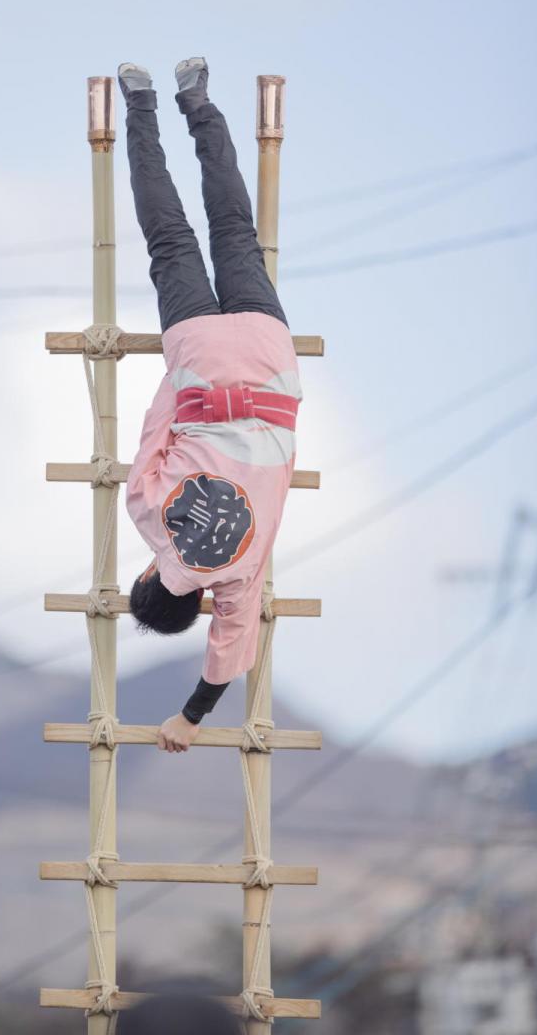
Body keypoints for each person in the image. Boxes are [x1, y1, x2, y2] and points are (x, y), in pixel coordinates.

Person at [119, 58, 303, 755]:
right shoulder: (147, 514)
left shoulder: (241, 570)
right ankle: (156, 103)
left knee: (232, 227)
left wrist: (189, 719)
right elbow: (155, 426)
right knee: (171, 233)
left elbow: (231, 650)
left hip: (267, 358)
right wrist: (182, 369)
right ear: (144, 576)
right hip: (199, 360)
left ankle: (195, 98)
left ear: (190, 601)